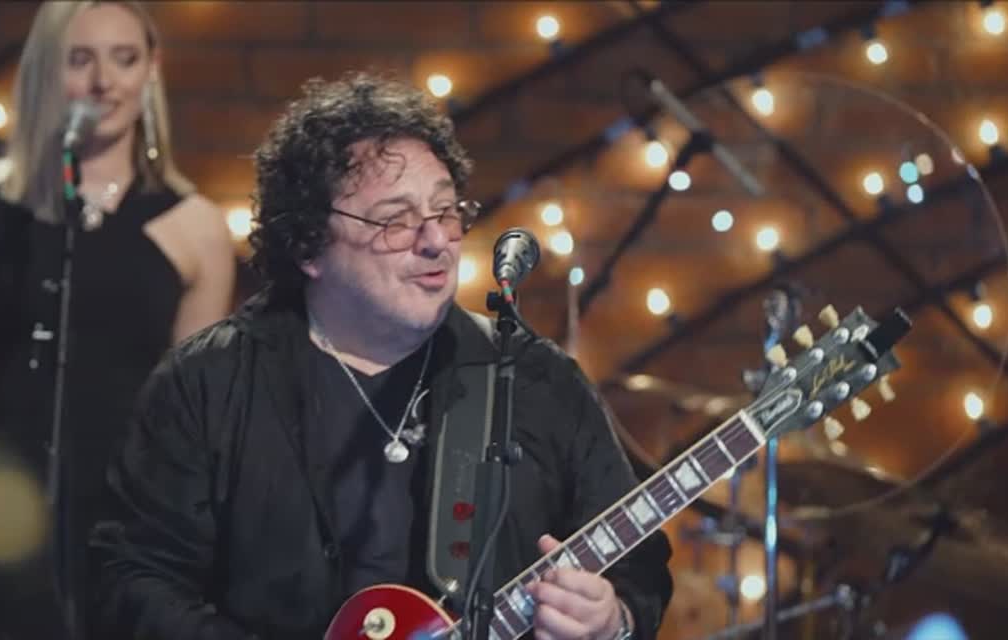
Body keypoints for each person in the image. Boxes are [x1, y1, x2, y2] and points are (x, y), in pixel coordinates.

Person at [89, 71, 673, 639]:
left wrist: (613, 620)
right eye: (395, 221)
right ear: (309, 245)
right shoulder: (208, 382)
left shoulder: (535, 379)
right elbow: (132, 581)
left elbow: (639, 570)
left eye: (445, 211)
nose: (436, 241)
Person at [0, 1, 235, 638]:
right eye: (80, 59)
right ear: (44, 70)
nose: (103, 82)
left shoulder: (194, 226)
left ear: (151, 70)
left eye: (125, 59)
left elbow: (195, 428)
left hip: (130, 538)